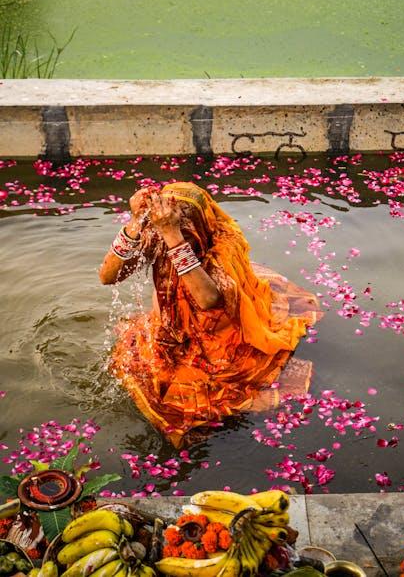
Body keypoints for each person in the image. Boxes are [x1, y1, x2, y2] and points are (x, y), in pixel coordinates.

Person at [100, 182, 321, 447]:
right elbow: (107, 277)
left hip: (215, 339)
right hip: (171, 327)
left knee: (182, 400)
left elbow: (207, 300)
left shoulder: (222, 248)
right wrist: (136, 223)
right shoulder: (158, 234)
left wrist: (173, 236)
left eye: (185, 230)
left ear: (199, 228)